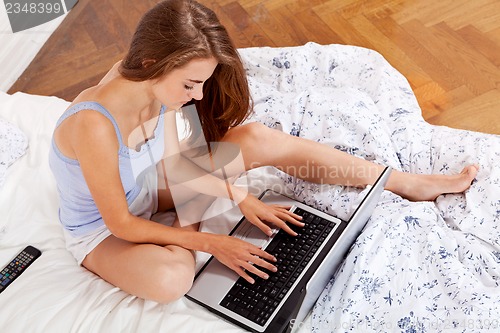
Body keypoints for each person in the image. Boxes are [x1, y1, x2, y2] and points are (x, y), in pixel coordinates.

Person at [49, 0, 478, 304]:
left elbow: (183, 151)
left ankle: (404, 181)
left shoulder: (157, 84)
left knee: (257, 138)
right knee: (171, 279)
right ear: (149, 63)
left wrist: (238, 195)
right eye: (189, 84)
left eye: (202, 82)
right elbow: (121, 224)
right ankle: (188, 218)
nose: (197, 95)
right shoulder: (94, 123)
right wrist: (212, 241)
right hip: (105, 231)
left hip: (148, 188)